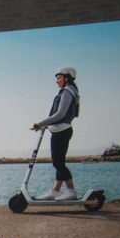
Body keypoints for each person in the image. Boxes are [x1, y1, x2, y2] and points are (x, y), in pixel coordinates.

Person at [33, 67, 80, 201]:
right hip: (61, 130)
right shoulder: (69, 92)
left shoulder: (67, 92)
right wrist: (46, 125)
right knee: (59, 162)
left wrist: (41, 123)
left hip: (61, 131)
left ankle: (71, 191)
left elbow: (60, 114)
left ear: (67, 78)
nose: (57, 81)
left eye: (59, 77)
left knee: (57, 163)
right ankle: (55, 191)